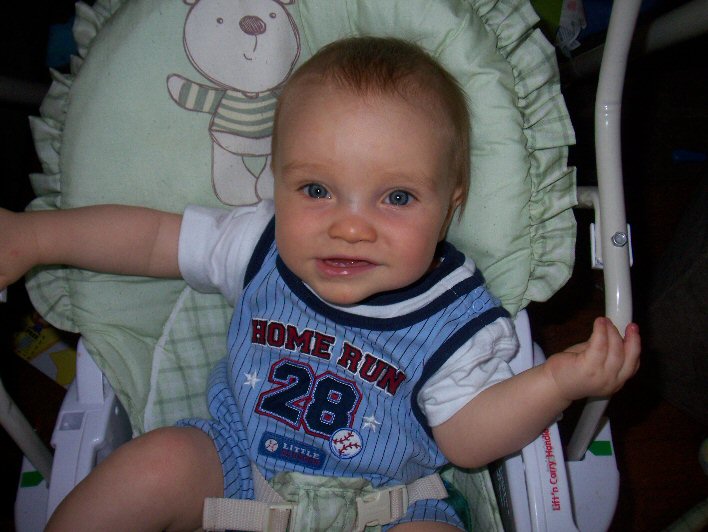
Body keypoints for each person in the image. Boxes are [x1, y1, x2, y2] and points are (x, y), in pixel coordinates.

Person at [0, 37, 640, 531]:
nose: (350, 227)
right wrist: (35, 238)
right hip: (236, 466)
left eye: (396, 197)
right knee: (156, 465)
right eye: (315, 190)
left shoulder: (455, 316)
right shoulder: (258, 244)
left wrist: (556, 383)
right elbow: (150, 240)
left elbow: (467, 441)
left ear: (449, 208)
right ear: (275, 181)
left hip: (388, 504)